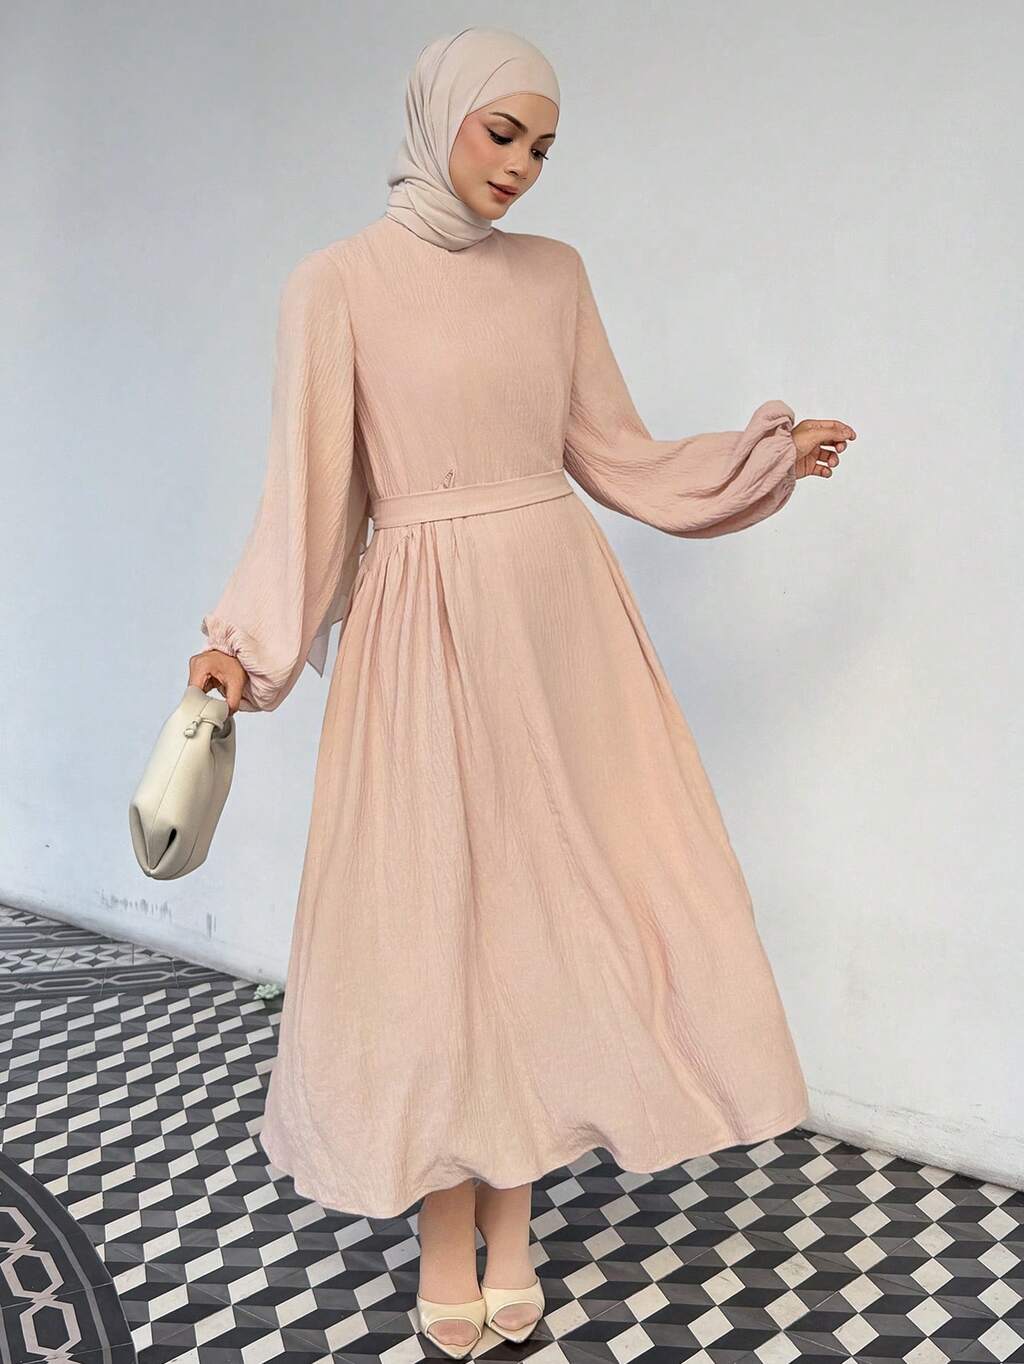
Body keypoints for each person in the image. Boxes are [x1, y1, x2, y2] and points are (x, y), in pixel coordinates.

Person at [189, 26, 855, 1360]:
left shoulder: (555, 275)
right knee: (433, 923)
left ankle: (517, 1214)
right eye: (503, 134)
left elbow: (613, 449)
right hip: (420, 626)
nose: (523, 168)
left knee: (551, 919)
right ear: (437, 115)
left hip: (558, 621)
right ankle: (450, 1225)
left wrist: (759, 461)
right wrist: (240, 647)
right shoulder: (336, 285)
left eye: (544, 147)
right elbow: (309, 492)